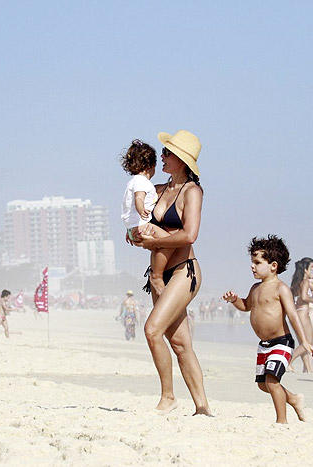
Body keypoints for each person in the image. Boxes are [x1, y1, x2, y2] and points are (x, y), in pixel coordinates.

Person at [133, 129, 211, 415]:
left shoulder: (193, 191)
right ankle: (202, 407)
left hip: (183, 271)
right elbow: (151, 228)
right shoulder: (160, 190)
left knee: (152, 330)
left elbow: (190, 235)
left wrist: (156, 240)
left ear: (182, 159)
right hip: (158, 271)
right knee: (179, 343)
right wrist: (139, 237)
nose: (162, 156)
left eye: (167, 152)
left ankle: (168, 397)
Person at [222, 235, 313, 423]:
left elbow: (292, 315)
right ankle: (294, 399)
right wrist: (234, 300)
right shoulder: (255, 288)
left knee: (272, 381)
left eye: (257, 262)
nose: (252, 266)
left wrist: (304, 341)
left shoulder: (281, 289)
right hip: (264, 345)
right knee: (264, 385)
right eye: (252, 262)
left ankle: (282, 421)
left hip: (281, 342)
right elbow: (246, 306)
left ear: (273, 265)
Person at [120, 140, 173, 294]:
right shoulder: (142, 182)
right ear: (150, 165)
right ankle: (156, 275)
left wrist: (131, 228)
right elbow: (138, 199)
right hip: (142, 226)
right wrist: (141, 209)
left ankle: (157, 273)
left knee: (158, 247)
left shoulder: (133, 182)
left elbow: (129, 209)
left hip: (134, 228)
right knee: (169, 242)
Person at [288, 258, 313, 373]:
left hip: (296, 312)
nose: (312, 270)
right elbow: (304, 297)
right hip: (303, 313)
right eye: (311, 268)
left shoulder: (296, 282)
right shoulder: (305, 282)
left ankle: (308, 369)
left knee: (303, 343)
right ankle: (289, 361)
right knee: (308, 342)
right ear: (305, 270)